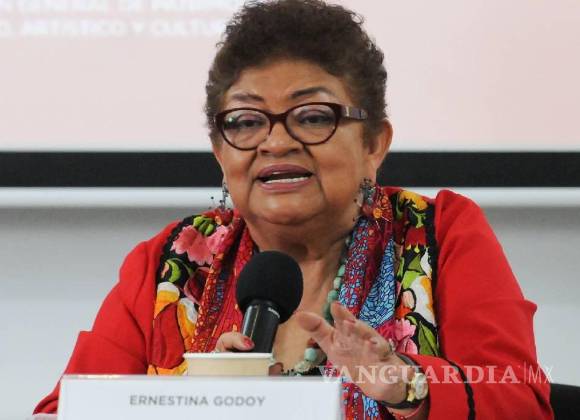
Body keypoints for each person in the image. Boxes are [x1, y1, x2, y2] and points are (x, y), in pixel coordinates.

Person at [34, 1, 553, 419]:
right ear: (220, 153)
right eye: (245, 121)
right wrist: (188, 402)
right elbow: (67, 411)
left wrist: (405, 383)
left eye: (312, 116)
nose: (276, 142)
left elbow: (522, 401)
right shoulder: (173, 265)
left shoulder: (438, 235)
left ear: (374, 143)